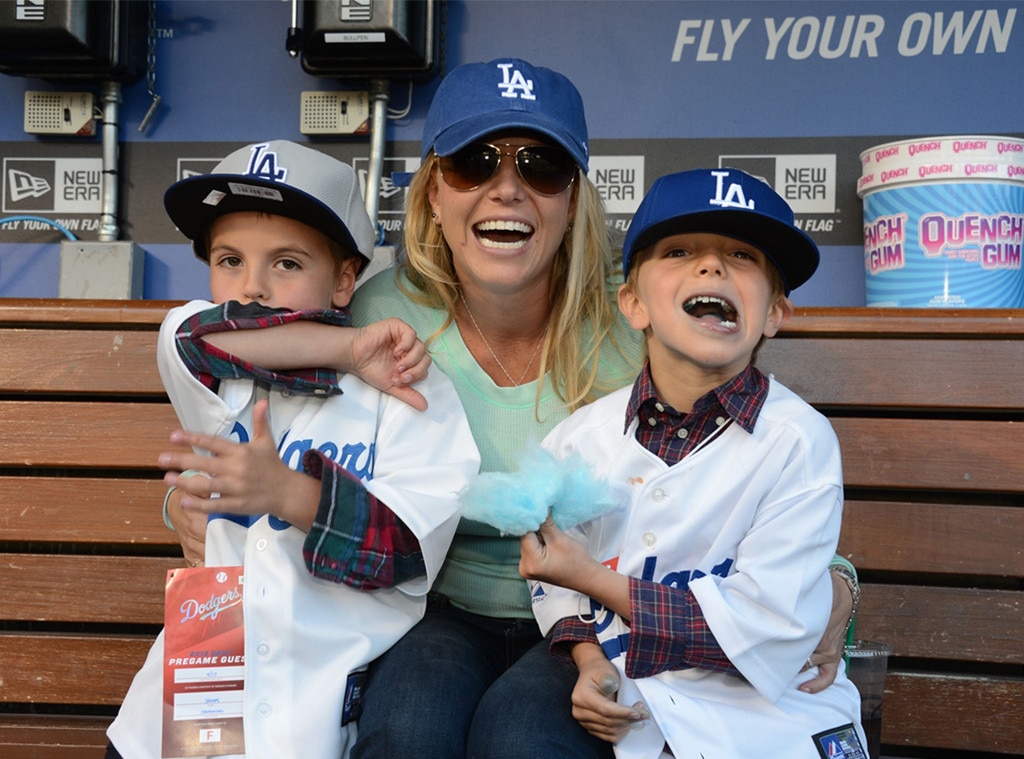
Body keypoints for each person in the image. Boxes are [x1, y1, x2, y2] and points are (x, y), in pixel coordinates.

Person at [165, 60, 857, 758]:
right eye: (473, 162)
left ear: (573, 198)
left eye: (541, 165)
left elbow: (733, 466)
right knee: (409, 730)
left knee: (523, 738)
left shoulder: (641, 316)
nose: (507, 188)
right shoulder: (377, 316)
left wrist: (838, 584)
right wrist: (195, 506)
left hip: (594, 610)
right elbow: (251, 408)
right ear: (434, 192)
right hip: (433, 604)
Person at [105, 140, 480, 759]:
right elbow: (201, 335)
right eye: (229, 260)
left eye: (285, 263)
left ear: (343, 279)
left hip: (318, 707)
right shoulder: (206, 360)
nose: (251, 286)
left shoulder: (411, 388)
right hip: (193, 689)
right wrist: (348, 349)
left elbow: (407, 550)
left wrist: (289, 495)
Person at [518, 167, 867, 758]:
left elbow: (763, 629)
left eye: (742, 255)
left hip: (771, 714)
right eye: (679, 251)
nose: (712, 267)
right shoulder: (581, 437)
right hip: (632, 696)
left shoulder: (799, 440)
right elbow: (557, 589)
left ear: (775, 313)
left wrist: (593, 578)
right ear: (632, 304)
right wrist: (586, 658)